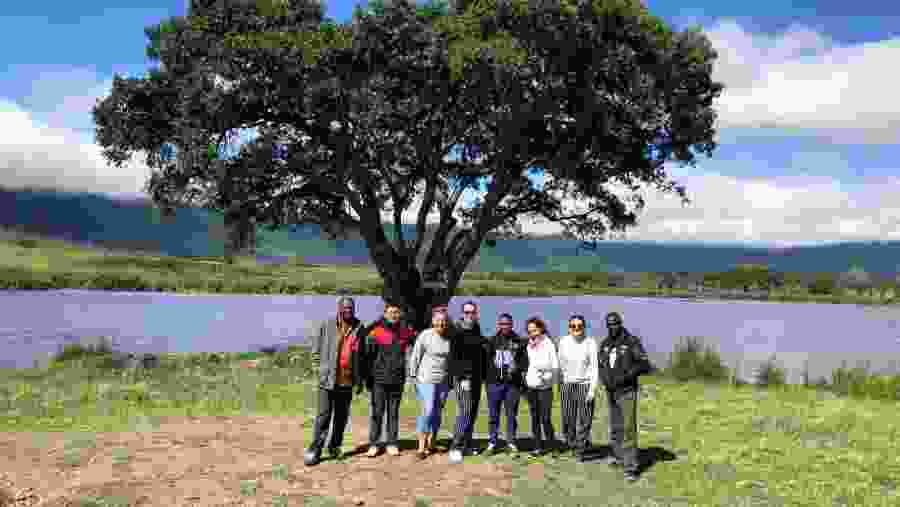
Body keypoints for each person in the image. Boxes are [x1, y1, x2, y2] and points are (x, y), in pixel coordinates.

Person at [304, 296, 367, 466]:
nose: (348, 311)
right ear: (339, 309)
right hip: (327, 380)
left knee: (341, 418)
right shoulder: (327, 325)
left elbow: (362, 355)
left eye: (351, 308)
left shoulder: (359, 327)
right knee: (323, 417)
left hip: (347, 381)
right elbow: (316, 350)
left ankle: (335, 446)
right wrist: (319, 370)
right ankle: (315, 449)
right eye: (345, 308)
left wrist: (359, 379)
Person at [597, 311, 654, 482]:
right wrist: (604, 379)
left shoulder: (631, 341)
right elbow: (601, 364)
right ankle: (618, 457)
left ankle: (631, 467)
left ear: (620, 323)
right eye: (609, 324)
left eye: (615, 323)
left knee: (629, 428)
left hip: (627, 391)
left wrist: (626, 377)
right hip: (611, 391)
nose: (612, 327)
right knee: (616, 427)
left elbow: (645, 365)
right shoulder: (605, 343)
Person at [360, 301, 417, 458]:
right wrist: (367, 378)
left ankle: (392, 443)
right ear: (384, 314)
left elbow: (419, 342)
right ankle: (374, 444)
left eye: (396, 312)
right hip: (378, 380)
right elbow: (366, 350)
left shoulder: (405, 331)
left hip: (397, 379)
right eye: (390, 312)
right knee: (377, 413)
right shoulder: (376, 332)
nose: (394, 315)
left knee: (393, 413)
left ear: (400, 315)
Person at [408, 309, 453, 460]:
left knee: (437, 412)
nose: (441, 323)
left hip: (444, 380)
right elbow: (415, 355)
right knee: (428, 410)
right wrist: (413, 375)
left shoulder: (450, 336)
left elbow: (452, 360)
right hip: (425, 379)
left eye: (444, 320)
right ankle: (421, 447)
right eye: (438, 320)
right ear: (433, 321)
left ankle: (432, 443)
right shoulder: (425, 335)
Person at [447, 300, 487, 464]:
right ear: (462, 314)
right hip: (463, 378)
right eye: (467, 312)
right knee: (465, 410)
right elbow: (454, 357)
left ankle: (467, 444)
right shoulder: (456, 330)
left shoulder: (476, 328)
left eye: (472, 312)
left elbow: (478, 351)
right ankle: (455, 446)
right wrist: (462, 377)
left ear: (476, 313)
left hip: (476, 378)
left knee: (473, 412)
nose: (469, 315)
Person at [483, 312, 528, 454]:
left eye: (507, 324)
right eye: (502, 324)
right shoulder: (491, 341)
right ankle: (492, 442)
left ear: (512, 325)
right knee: (493, 414)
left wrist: (518, 368)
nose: (504, 326)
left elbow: (525, 363)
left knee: (511, 414)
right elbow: (485, 363)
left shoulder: (519, 341)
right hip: (494, 384)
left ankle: (511, 442)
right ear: (498, 325)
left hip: (512, 385)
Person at [556, 315, 599, 463]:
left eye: (579, 326)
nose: (576, 329)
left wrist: (592, 390)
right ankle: (572, 444)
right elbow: (560, 364)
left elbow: (594, 368)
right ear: (569, 328)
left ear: (584, 327)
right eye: (573, 326)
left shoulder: (590, 343)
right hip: (567, 384)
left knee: (585, 419)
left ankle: (581, 448)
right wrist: (559, 384)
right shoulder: (563, 342)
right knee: (568, 418)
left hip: (584, 384)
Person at [523, 316, 559, 457]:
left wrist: (547, 377)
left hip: (545, 387)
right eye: (530, 331)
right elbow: (527, 364)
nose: (533, 333)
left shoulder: (548, 343)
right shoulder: (528, 344)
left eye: (535, 330)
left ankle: (552, 446)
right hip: (531, 386)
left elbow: (554, 365)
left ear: (541, 329)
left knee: (545, 418)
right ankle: (537, 446)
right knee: (535, 418)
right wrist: (526, 378)